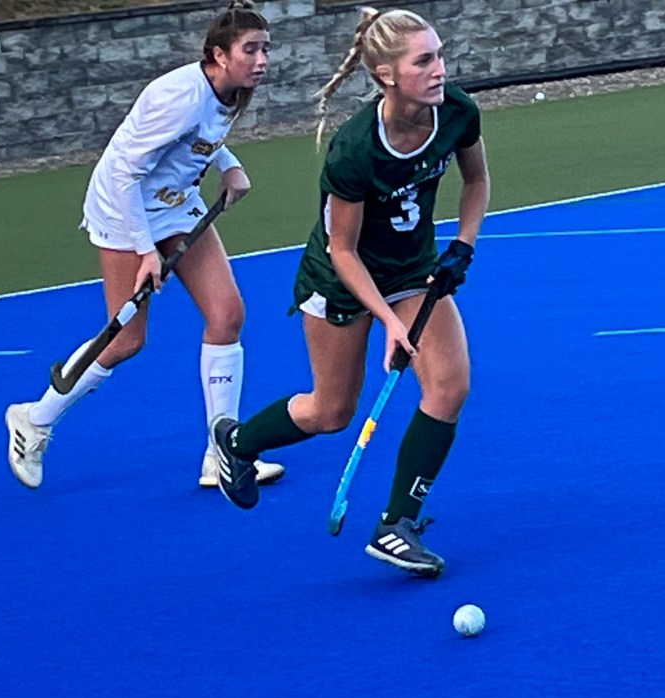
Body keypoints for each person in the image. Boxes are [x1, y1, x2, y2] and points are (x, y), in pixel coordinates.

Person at [210, 6, 490, 577]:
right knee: (332, 411)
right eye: (424, 61)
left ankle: (396, 524)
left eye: (439, 55)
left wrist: (462, 245)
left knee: (449, 386)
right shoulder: (355, 149)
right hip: (340, 281)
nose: (440, 69)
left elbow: (477, 180)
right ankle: (237, 444)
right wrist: (388, 320)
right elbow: (342, 249)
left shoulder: (457, 112)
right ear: (387, 74)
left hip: (413, 271)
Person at [5, 0, 284, 491]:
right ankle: (34, 419)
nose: (261, 60)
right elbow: (123, 173)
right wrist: (145, 250)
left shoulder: (228, 89)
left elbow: (201, 138)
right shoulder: (180, 97)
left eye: (265, 49)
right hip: (124, 209)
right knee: (126, 339)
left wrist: (228, 166)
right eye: (250, 50)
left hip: (173, 202)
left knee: (227, 314)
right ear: (219, 55)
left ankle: (223, 451)